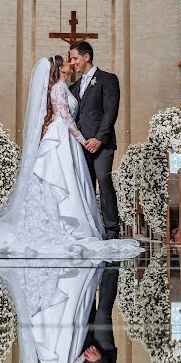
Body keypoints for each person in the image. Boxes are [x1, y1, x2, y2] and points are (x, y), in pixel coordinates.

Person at [0, 56, 141, 259]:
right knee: (61, 179)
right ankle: (67, 226)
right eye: (67, 61)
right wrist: (80, 138)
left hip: (66, 138)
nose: (71, 63)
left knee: (68, 180)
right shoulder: (60, 87)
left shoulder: (68, 87)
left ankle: (75, 224)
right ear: (59, 68)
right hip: (63, 138)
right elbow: (66, 117)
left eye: (73, 59)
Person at [70, 41, 121, 239]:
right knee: (86, 185)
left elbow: (110, 111)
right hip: (80, 145)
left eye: (75, 58)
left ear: (87, 57)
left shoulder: (107, 79)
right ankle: (90, 227)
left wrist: (99, 138)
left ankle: (111, 229)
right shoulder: (73, 86)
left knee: (104, 179)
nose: (72, 62)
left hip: (102, 143)